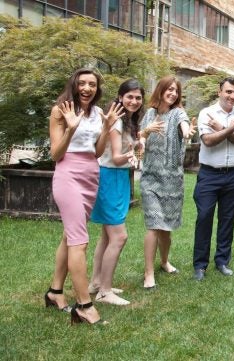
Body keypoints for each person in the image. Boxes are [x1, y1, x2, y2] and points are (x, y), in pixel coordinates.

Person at [45, 68, 121, 324]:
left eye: (92, 84)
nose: (87, 88)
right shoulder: (60, 111)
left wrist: (106, 128)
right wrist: (70, 128)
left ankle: (55, 292)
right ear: (74, 85)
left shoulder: (98, 113)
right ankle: (84, 306)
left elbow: (97, 152)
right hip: (68, 176)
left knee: (70, 236)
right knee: (79, 241)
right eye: (83, 83)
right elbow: (56, 154)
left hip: (91, 175)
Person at [88, 79, 144, 305]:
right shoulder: (117, 122)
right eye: (129, 96)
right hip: (109, 177)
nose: (134, 101)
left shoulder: (127, 122)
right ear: (120, 97)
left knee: (106, 235)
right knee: (120, 236)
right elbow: (115, 157)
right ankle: (105, 291)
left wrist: (136, 147)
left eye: (138, 97)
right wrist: (135, 154)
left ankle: (96, 283)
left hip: (117, 177)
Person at [139, 75, 195, 289]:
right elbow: (141, 136)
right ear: (161, 90)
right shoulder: (150, 114)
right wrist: (144, 138)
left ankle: (164, 261)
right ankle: (148, 272)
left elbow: (184, 126)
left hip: (172, 179)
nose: (172, 93)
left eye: (175, 90)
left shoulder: (178, 113)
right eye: (169, 89)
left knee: (166, 228)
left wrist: (187, 132)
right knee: (154, 224)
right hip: (150, 178)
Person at [192, 77, 234, 281]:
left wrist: (222, 129)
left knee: (227, 220)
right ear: (220, 92)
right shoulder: (206, 113)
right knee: (204, 217)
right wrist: (231, 128)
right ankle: (200, 265)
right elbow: (207, 141)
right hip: (209, 174)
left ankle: (222, 261)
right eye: (228, 92)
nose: (232, 96)